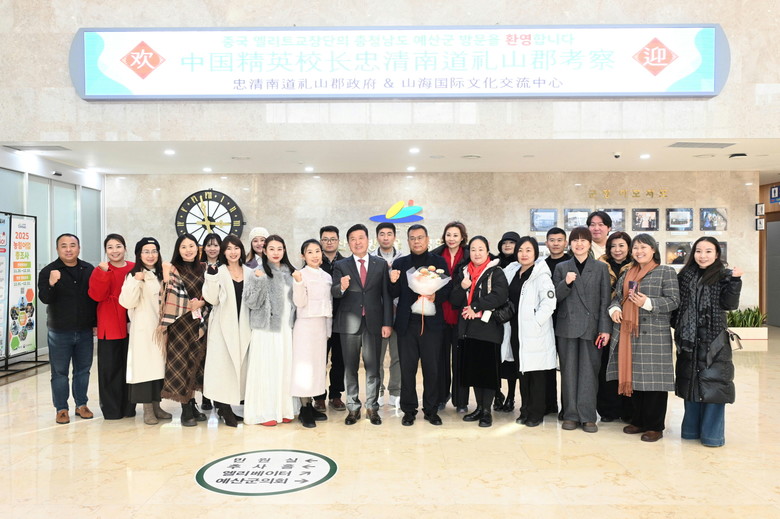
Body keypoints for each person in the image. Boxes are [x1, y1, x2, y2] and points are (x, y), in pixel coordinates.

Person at [607, 234, 680, 442]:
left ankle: (654, 426)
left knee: (654, 382)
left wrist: (648, 303)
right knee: (636, 379)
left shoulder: (665, 271)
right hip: (629, 334)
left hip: (654, 335)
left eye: (643, 247)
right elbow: (617, 298)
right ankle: (638, 420)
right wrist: (614, 309)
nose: (639, 252)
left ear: (653, 249)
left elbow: (674, 301)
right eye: (636, 248)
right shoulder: (627, 273)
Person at [673, 237, 742, 447]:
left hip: (714, 340)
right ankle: (691, 431)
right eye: (698, 251)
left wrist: (735, 281)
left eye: (708, 251)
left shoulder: (724, 275)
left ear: (717, 254)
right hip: (689, 339)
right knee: (691, 384)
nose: (702, 255)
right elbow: (677, 306)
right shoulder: (685, 275)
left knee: (714, 386)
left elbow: (729, 305)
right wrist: (680, 327)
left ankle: (712, 436)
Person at [389, 224, 451, 426]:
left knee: (432, 369)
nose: (416, 241)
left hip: (432, 325)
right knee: (407, 370)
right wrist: (392, 281)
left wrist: (435, 296)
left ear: (427, 239)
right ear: (408, 241)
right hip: (407, 325)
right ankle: (408, 410)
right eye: (412, 238)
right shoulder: (400, 263)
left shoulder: (438, 261)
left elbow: (448, 289)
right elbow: (393, 293)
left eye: (420, 237)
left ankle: (431, 410)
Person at [331, 223, 393, 426]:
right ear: (348, 243)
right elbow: (334, 292)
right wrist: (341, 287)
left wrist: (387, 323)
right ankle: (353, 408)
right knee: (350, 368)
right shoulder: (341, 265)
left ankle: (372, 408)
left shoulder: (380, 264)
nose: (357, 242)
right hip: (349, 324)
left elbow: (386, 295)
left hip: (374, 323)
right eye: (353, 239)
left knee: (373, 368)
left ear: (368, 240)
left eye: (361, 238)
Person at [552, 226, 612, 433]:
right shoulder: (561, 267)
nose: (579, 244)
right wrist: (566, 283)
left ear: (589, 243)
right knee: (568, 372)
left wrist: (605, 329)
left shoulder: (601, 268)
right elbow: (554, 297)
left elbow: (605, 300)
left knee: (589, 372)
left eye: (583, 240)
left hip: (592, 327)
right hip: (566, 326)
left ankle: (587, 416)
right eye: (575, 240)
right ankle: (570, 414)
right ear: (570, 244)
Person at [38, 233, 97, 424]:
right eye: (64, 246)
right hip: (59, 332)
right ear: (57, 249)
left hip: (84, 330)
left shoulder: (88, 269)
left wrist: (95, 323)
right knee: (59, 373)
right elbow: (45, 298)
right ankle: (61, 408)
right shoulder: (48, 271)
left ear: (79, 248)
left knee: (83, 370)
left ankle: (81, 404)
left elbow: (94, 299)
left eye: (72, 245)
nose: (69, 249)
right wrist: (51, 283)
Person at [449, 236, 508, 428]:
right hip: (468, 329)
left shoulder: (496, 272)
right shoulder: (464, 272)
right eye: (473, 249)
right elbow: (454, 300)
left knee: (487, 372)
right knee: (474, 371)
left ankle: (487, 411)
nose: (477, 253)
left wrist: (475, 306)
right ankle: (479, 407)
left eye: (481, 249)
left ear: (487, 251)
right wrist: (462, 287)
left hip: (488, 328)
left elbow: (500, 296)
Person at [502, 237, 557, 427]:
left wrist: (535, 322)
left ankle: (536, 413)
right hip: (516, 331)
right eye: (520, 250)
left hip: (535, 333)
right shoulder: (512, 272)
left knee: (537, 375)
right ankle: (525, 409)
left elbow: (549, 303)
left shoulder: (541, 275)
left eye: (528, 250)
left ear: (535, 253)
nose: (524, 254)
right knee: (522, 372)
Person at [243, 234, 296, 426]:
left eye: (279, 249)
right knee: (266, 369)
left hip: (285, 329)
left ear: (284, 251)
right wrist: (259, 281)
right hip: (265, 329)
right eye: (271, 249)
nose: (276, 252)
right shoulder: (257, 272)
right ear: (264, 251)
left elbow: (296, 302)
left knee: (284, 367)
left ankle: (284, 409)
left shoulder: (291, 273)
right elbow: (251, 302)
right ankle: (263, 413)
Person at [118, 237, 171, 425]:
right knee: (145, 369)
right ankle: (147, 409)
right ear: (139, 255)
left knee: (159, 369)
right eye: (146, 251)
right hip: (143, 330)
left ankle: (157, 406)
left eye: (154, 251)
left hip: (161, 329)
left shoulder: (162, 273)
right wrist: (136, 281)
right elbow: (126, 302)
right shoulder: (134, 275)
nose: (150, 255)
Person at [202, 235, 252, 427]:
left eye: (236, 248)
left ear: (241, 250)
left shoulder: (250, 272)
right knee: (222, 367)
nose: (233, 252)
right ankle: (223, 407)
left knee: (240, 367)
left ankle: (232, 404)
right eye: (229, 248)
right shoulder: (218, 271)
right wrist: (211, 278)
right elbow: (211, 299)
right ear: (223, 252)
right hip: (222, 327)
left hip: (244, 325)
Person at [159, 233, 209, 426]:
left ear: (197, 248)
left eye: (191, 246)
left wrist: (202, 303)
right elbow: (167, 294)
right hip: (179, 324)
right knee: (182, 365)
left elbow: (211, 293)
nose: (188, 250)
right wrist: (189, 305)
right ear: (178, 250)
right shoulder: (172, 269)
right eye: (184, 247)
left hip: (199, 323)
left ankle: (192, 403)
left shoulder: (204, 268)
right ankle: (185, 409)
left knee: (196, 364)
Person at [89, 233, 135, 420]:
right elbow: (96, 296)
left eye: (118, 246)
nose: (114, 251)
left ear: (125, 248)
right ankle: (111, 410)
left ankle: (129, 408)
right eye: (110, 247)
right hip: (109, 322)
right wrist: (103, 273)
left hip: (131, 320)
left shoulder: (134, 267)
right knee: (110, 368)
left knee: (129, 368)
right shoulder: (100, 269)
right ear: (105, 251)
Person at [291, 239, 333, 428]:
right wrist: (299, 283)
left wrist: (328, 330)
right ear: (303, 256)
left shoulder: (327, 276)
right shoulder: (300, 275)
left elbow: (329, 304)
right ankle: (304, 407)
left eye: (317, 251)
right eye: (310, 252)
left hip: (321, 327)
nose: (315, 255)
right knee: (304, 368)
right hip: (305, 327)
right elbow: (299, 302)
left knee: (317, 367)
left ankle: (311, 404)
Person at [431, 221, 470, 412]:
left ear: (462, 237)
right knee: (441, 359)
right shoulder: (436, 255)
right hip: (440, 312)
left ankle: (461, 401)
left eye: (455, 235)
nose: (451, 238)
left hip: (462, 313)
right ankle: (441, 397)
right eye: (448, 235)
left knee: (461, 359)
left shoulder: (469, 255)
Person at [596, 231, 633, 423]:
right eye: (613, 246)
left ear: (629, 247)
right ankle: (607, 409)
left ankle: (627, 409)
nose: (617, 250)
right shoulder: (600, 265)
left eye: (621, 245)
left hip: (627, 321)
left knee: (626, 365)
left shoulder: (636, 266)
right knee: (605, 365)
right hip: (604, 321)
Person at [314, 225, 346, 412]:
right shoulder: (314, 263)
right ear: (320, 241)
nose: (329, 242)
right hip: (320, 320)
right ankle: (318, 397)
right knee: (319, 360)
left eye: (333, 239)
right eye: (325, 239)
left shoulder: (346, 263)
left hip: (341, 319)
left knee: (339, 360)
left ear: (338, 241)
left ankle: (336, 395)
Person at [371, 222, 403, 408]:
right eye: (382, 234)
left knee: (397, 356)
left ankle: (396, 391)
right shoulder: (371, 258)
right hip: (378, 314)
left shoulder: (403, 259)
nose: (385, 237)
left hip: (398, 313)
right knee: (377, 356)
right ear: (377, 237)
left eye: (389, 234)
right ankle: (378, 390)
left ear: (394, 237)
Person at [544, 227, 570, 418]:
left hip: (567, 320)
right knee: (547, 364)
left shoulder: (571, 263)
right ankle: (549, 404)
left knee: (567, 366)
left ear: (565, 243)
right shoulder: (542, 265)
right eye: (552, 240)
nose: (555, 243)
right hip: (547, 321)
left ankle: (567, 407)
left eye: (559, 240)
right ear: (546, 243)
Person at [198, 232, 223, 411]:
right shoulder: (199, 266)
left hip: (220, 315)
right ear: (204, 248)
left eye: (215, 245)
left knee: (218, 357)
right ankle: (205, 396)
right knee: (203, 357)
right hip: (200, 315)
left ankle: (220, 398)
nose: (212, 248)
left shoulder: (225, 266)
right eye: (209, 245)